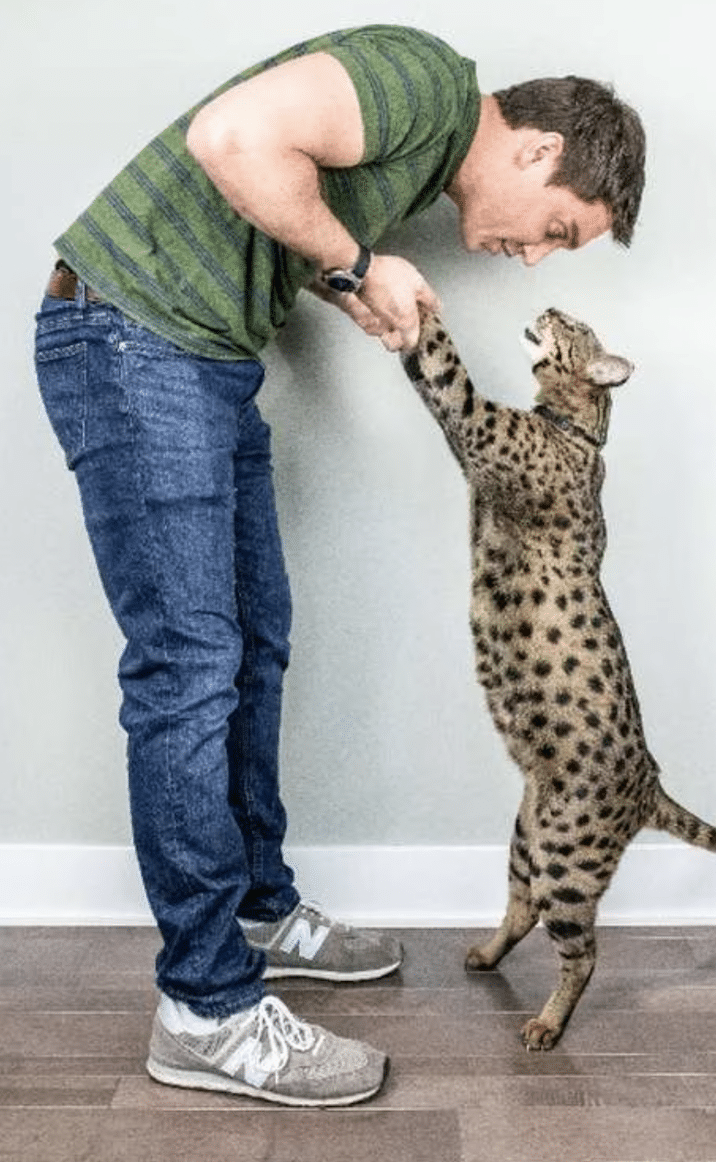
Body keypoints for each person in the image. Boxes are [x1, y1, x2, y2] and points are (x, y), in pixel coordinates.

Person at [34, 24, 645, 1106]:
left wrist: (347, 283)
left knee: (252, 651)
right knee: (186, 672)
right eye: (557, 229)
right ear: (540, 150)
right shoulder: (419, 80)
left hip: (199, 357)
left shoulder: (416, 152)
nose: (535, 256)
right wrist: (359, 260)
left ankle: (259, 910)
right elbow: (231, 137)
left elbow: (264, 198)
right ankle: (205, 1010)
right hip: (132, 341)